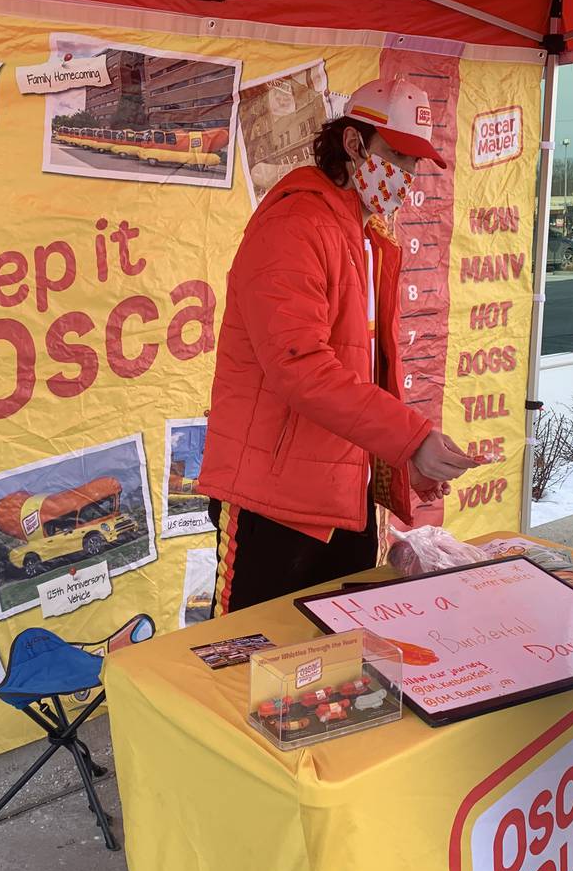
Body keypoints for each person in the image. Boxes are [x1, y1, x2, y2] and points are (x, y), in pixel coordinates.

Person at [198, 78, 478, 614]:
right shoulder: (294, 224)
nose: (408, 176)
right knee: (246, 669)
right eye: (398, 155)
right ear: (353, 144)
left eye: (417, 163)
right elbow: (300, 367)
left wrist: (399, 459)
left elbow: (364, 372)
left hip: (341, 495)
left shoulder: (366, 235)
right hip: (273, 504)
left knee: (338, 664)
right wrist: (410, 438)